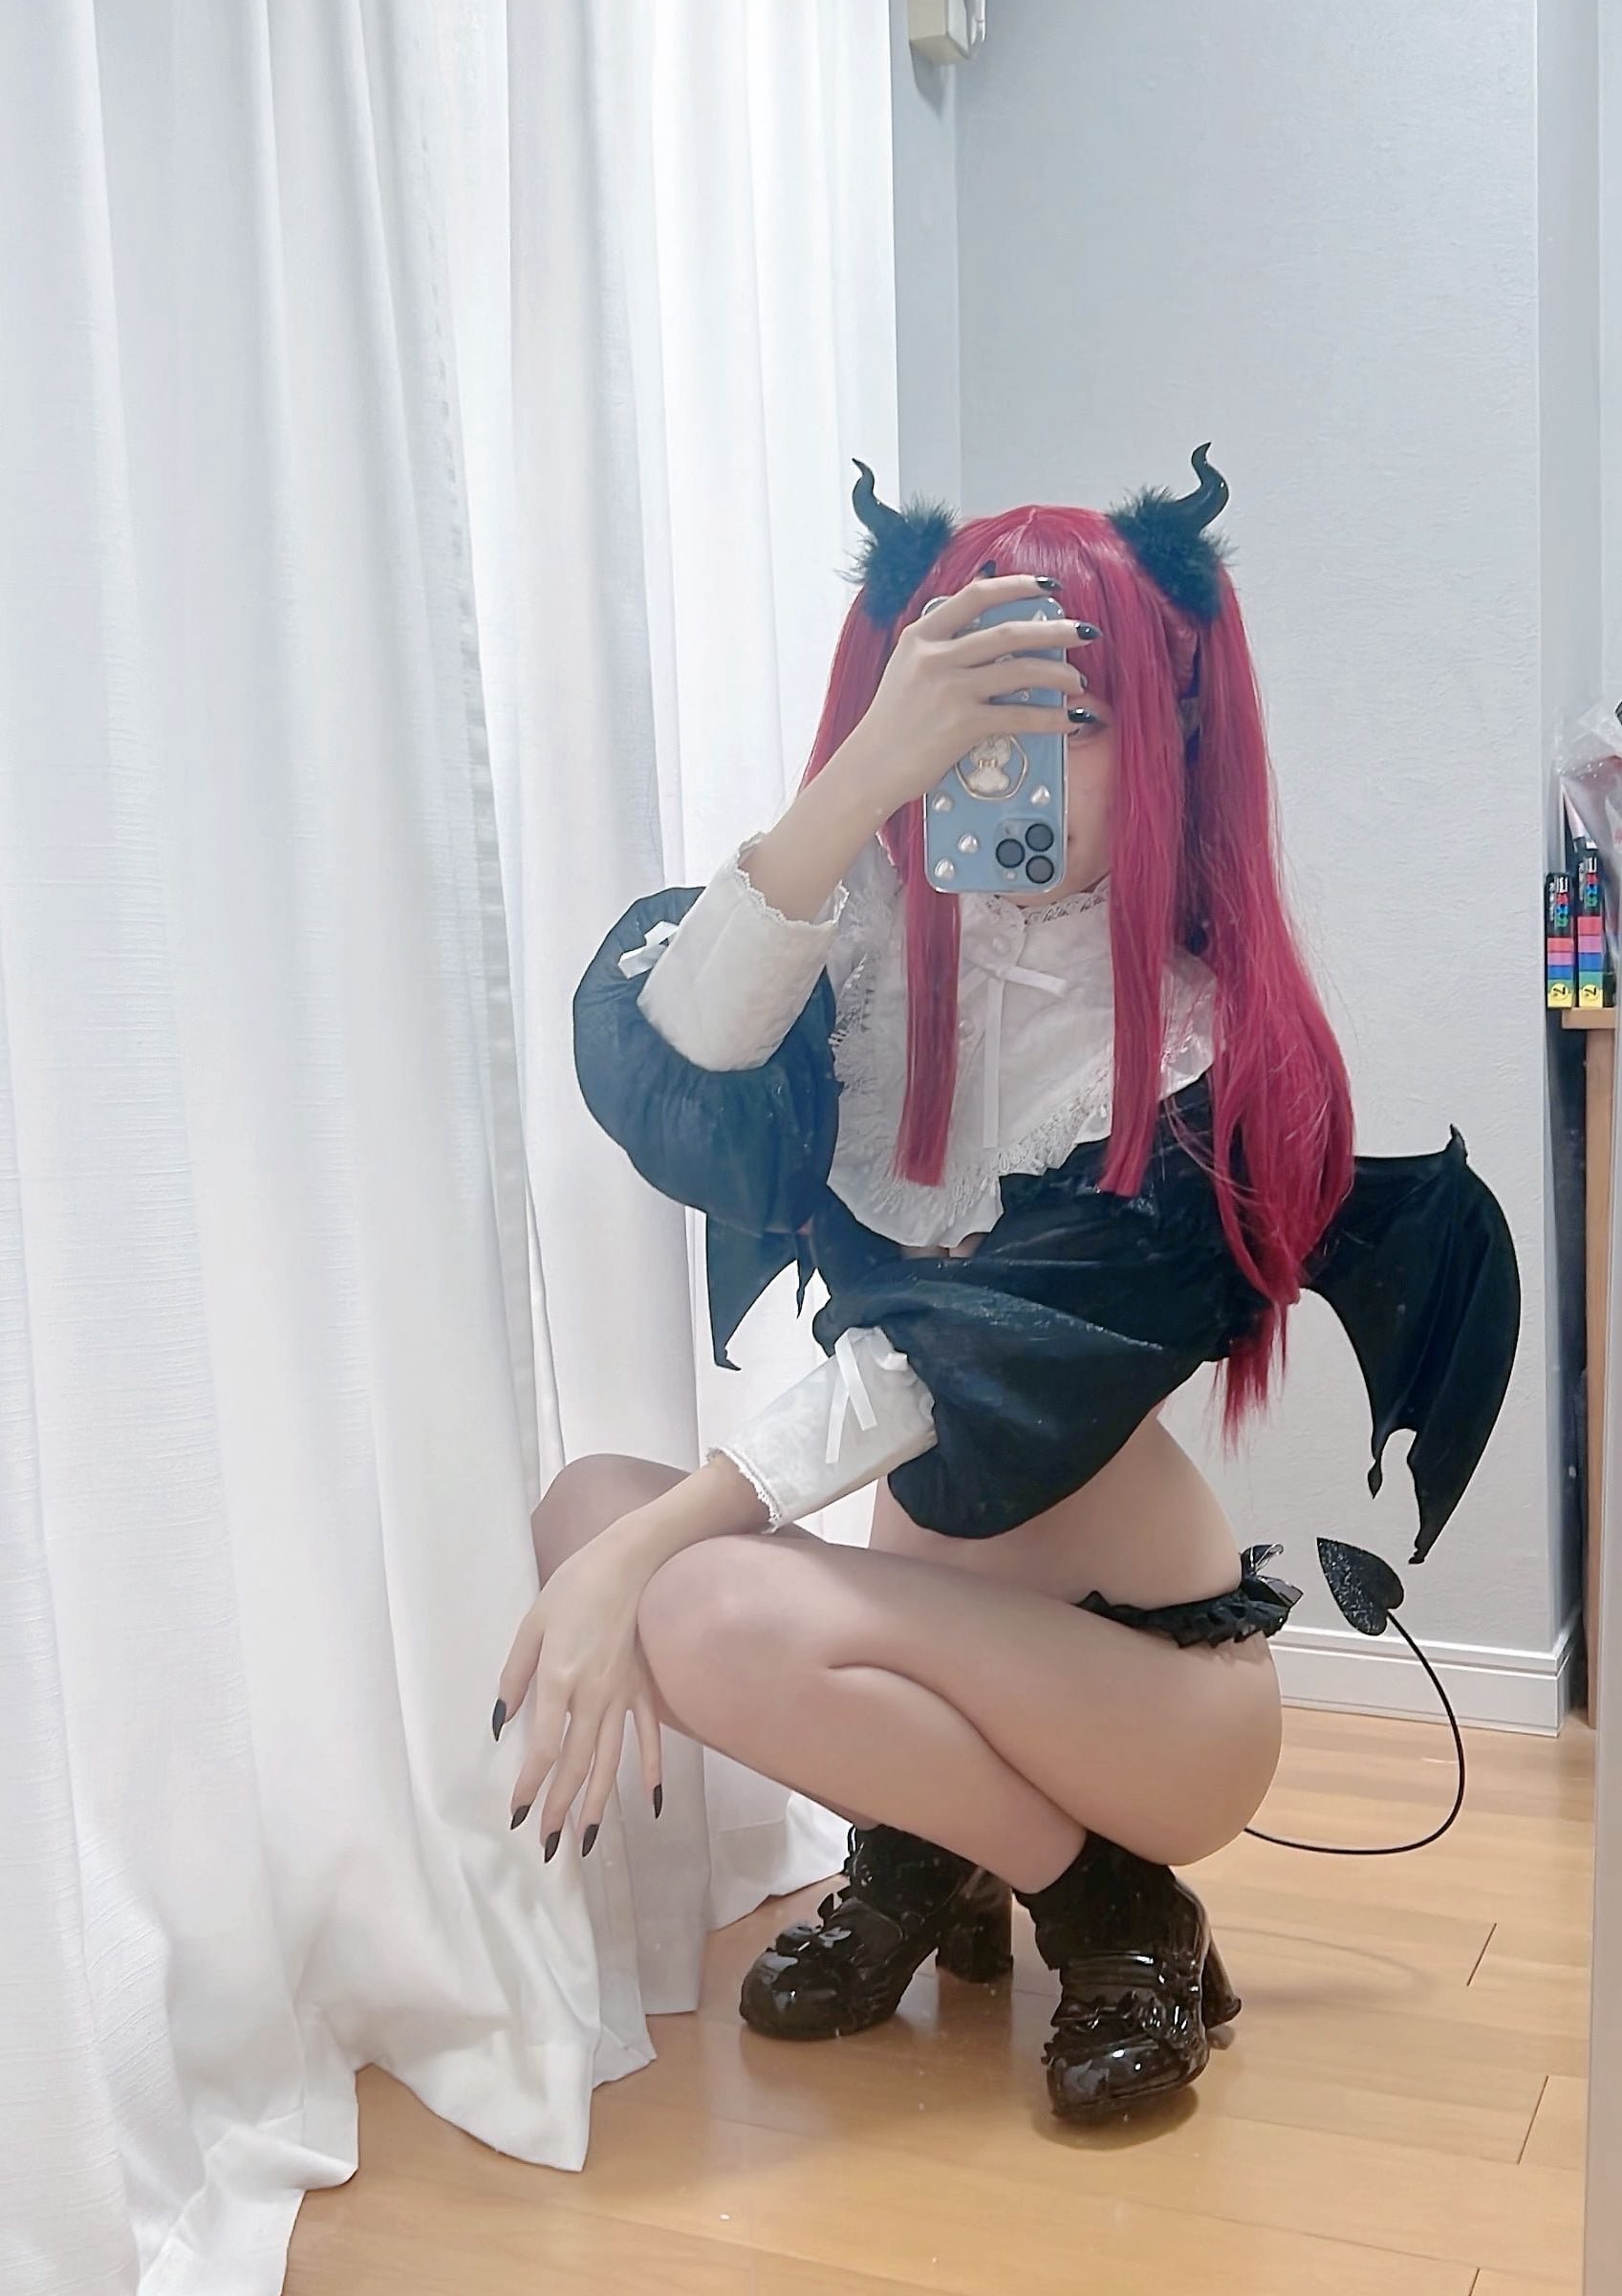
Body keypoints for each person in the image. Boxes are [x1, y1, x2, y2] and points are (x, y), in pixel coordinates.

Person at [495, 454, 1520, 2123]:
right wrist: (856, 779)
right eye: (963, 711)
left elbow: (945, 1369)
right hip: (936, 1636)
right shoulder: (864, 959)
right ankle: (941, 1846)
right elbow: (679, 1066)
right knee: (580, 1510)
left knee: (680, 1581)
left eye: (1065, 718)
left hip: (1145, 1689)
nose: (1003, 762)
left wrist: (650, 1549)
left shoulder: (1204, 1053)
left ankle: (1112, 1900)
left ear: (1169, 735)